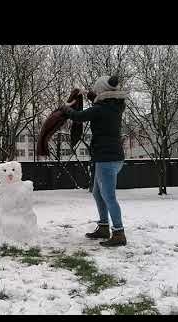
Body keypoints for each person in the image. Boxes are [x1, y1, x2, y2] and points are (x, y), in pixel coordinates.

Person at [61, 75, 128, 247]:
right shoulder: (115, 106)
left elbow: (78, 116)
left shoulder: (100, 109)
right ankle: (104, 227)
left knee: (108, 196)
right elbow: (101, 102)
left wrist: (65, 108)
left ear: (102, 92)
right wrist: (88, 94)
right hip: (113, 157)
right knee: (98, 193)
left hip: (106, 158)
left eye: (97, 90)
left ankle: (119, 233)